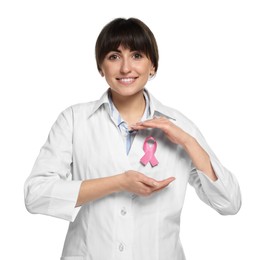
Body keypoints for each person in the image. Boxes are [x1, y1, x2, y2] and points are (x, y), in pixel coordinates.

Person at [24, 17, 241, 260]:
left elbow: (229, 203)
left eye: (137, 55)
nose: (126, 68)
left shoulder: (180, 126)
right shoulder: (74, 120)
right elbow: (36, 195)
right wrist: (119, 182)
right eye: (114, 57)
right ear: (100, 67)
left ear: (153, 66)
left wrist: (189, 142)